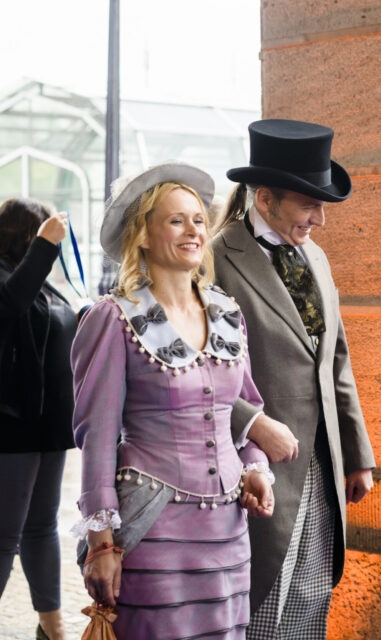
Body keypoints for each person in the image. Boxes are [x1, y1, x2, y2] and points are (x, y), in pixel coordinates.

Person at [71, 162, 275, 639]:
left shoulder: (228, 312)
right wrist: (101, 544)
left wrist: (256, 470)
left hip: (229, 536)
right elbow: (96, 437)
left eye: (199, 219)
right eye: (176, 220)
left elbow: (243, 415)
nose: (193, 230)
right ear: (142, 235)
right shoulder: (113, 318)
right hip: (154, 532)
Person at [212, 118, 376, 638]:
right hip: (250, 466)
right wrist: (252, 424)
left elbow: (336, 360)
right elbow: (197, 369)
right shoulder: (215, 258)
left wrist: (356, 454)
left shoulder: (317, 258)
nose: (321, 219)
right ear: (265, 200)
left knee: (310, 594)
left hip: (322, 463)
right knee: (261, 599)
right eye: (309, 203)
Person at [0, 199, 74, 640]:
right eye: (41, 236)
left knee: (43, 526)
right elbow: (11, 305)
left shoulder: (46, 286)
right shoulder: (11, 281)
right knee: (4, 535)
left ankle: (53, 627)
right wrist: (45, 247)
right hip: (11, 425)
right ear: (24, 236)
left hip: (49, 426)